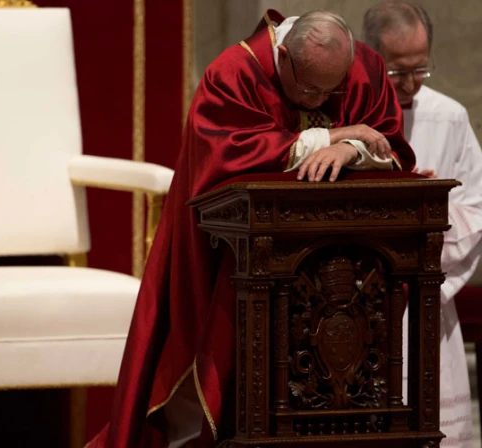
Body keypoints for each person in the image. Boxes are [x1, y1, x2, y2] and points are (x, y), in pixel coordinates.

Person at [87, 8, 416, 447]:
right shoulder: (232, 74)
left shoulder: (359, 69)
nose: (320, 100)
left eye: (330, 89)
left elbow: (389, 143)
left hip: (341, 269)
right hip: (236, 261)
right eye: (310, 88)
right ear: (283, 54)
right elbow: (226, 155)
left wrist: (354, 149)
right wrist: (330, 137)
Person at [363, 2, 482, 447]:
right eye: (397, 73)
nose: (410, 84)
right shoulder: (354, 118)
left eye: (420, 70)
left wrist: (427, 232)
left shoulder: (449, 117)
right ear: (372, 59)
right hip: (364, 300)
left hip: (427, 297)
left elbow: (476, 206)